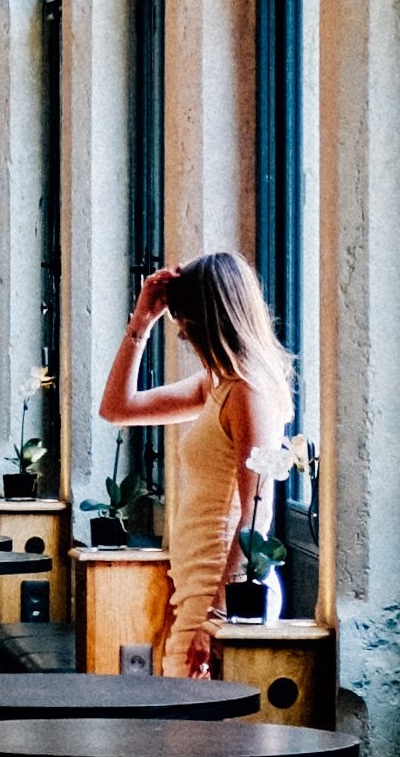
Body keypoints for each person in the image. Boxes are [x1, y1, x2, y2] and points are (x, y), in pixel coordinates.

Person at [97, 248, 294, 670]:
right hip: (197, 588)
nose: (184, 335)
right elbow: (117, 408)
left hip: (221, 593)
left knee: (190, 732)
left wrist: (217, 617)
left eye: (187, 324)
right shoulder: (216, 385)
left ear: (212, 319)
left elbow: (256, 517)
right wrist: (140, 323)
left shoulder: (248, 393)